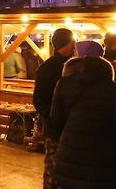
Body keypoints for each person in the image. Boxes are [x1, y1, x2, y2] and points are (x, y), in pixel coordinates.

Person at [51, 40, 116, 188]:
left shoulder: (64, 84)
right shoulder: (112, 88)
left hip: (69, 158)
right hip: (103, 161)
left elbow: (55, 122)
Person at [33, 28, 75, 189]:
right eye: (72, 41)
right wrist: (52, 117)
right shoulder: (49, 68)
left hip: (67, 127)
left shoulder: (74, 65)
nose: (75, 45)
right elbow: (38, 99)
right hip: (56, 129)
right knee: (53, 168)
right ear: (66, 44)